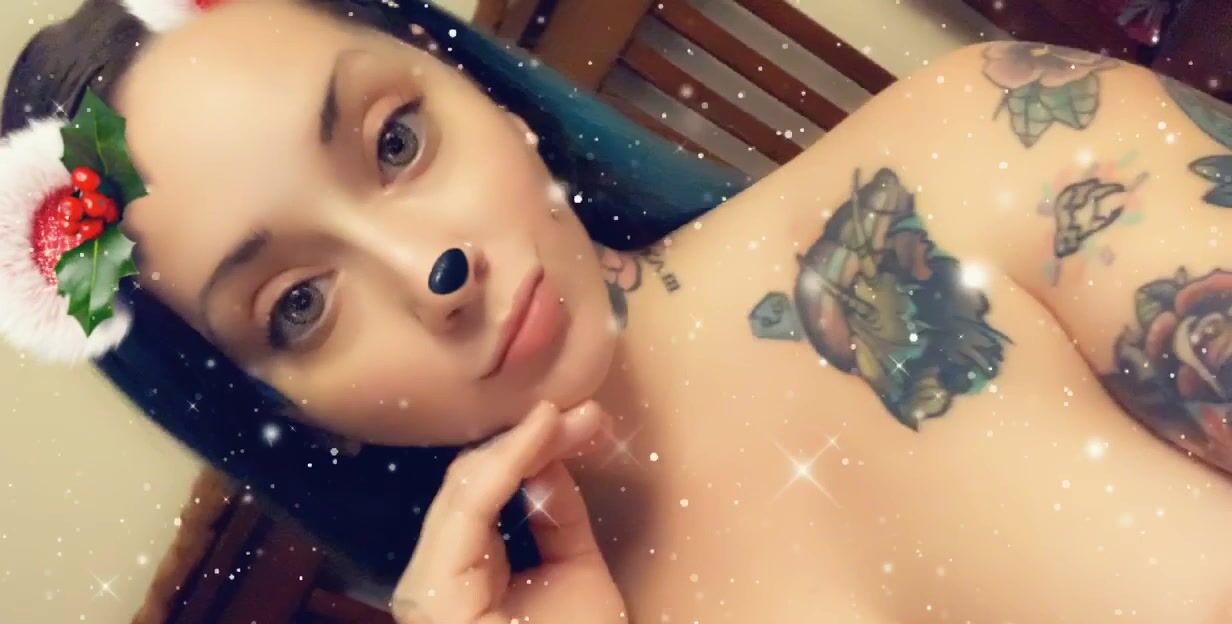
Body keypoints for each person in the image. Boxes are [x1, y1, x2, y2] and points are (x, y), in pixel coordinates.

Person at [4, 0, 1232, 621]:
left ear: (479, 94)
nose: (430, 269)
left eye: (394, 140)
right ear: (278, 404)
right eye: (300, 303)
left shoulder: (994, 155)